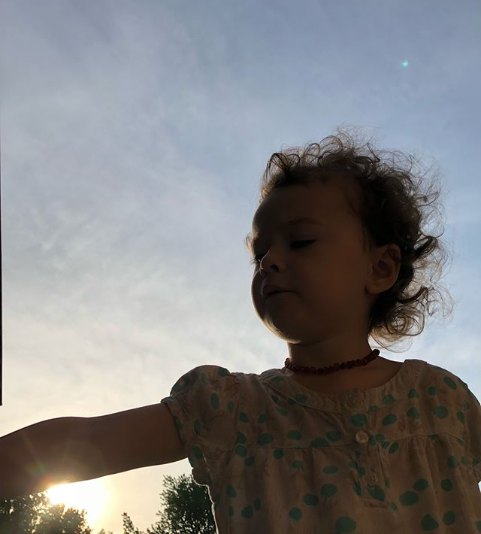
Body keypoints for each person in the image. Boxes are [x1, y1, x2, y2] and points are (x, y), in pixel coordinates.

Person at [161, 128, 481, 532]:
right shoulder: (231, 411)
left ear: (380, 268)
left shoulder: (442, 400)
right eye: (260, 253)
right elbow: (92, 443)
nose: (268, 261)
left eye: (301, 241)